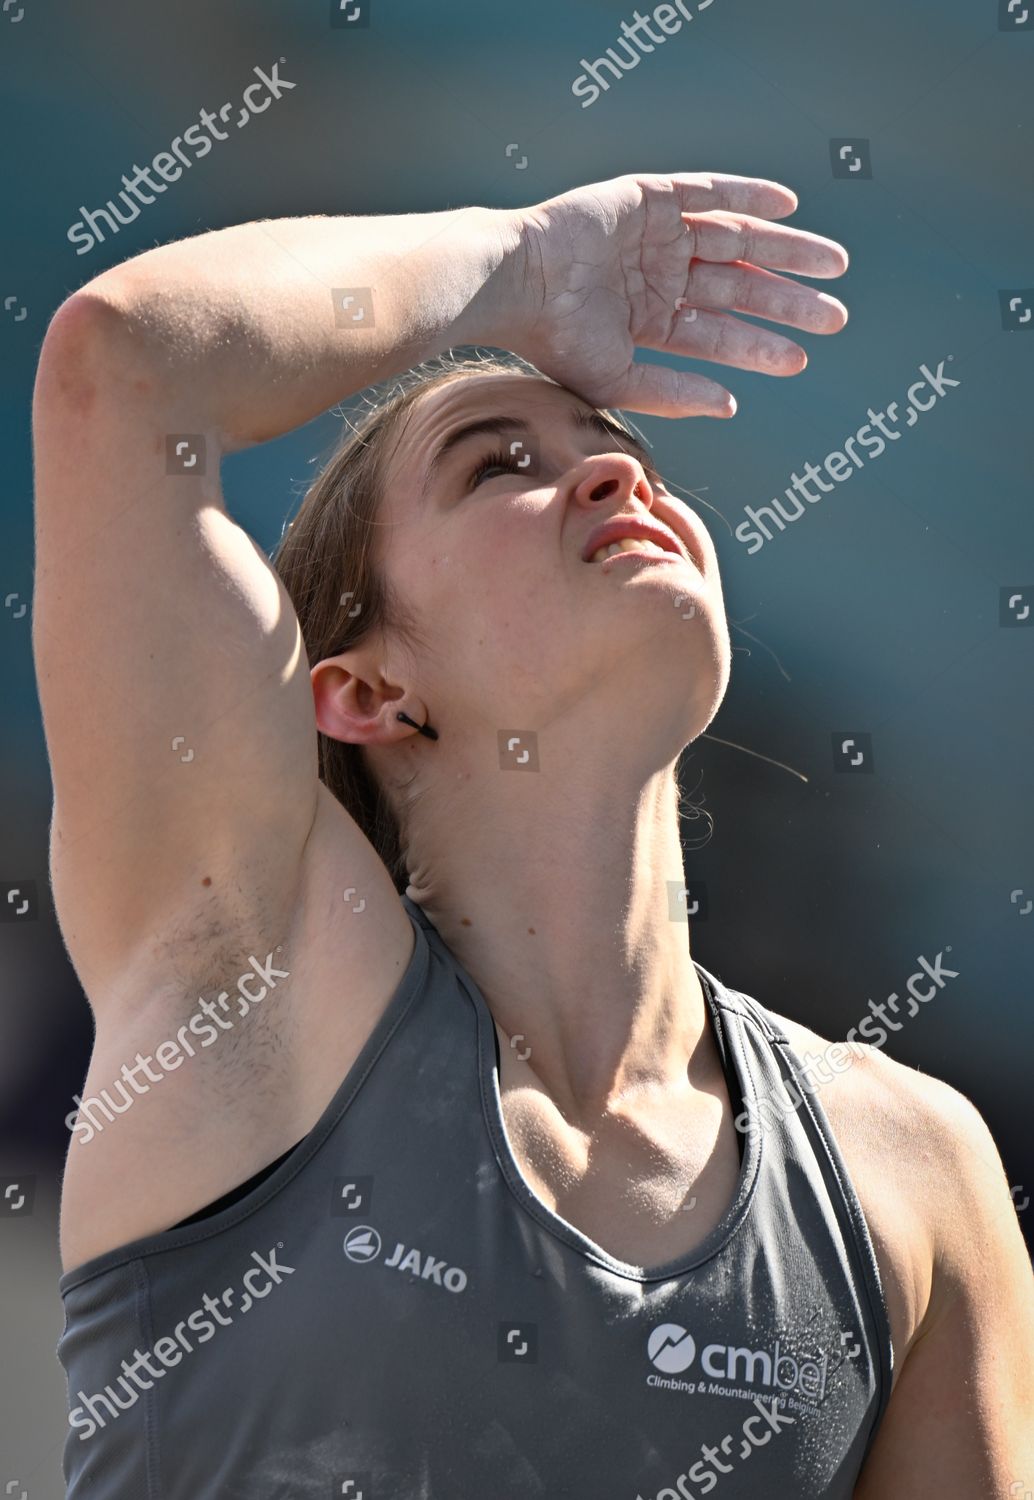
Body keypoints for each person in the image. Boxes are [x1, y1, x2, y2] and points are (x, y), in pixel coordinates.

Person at [32, 171, 1034, 1498]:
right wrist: (518, 263)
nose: (618, 469)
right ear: (365, 690)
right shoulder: (257, 968)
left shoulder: (908, 1166)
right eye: (501, 462)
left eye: (621, 452)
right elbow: (126, 364)